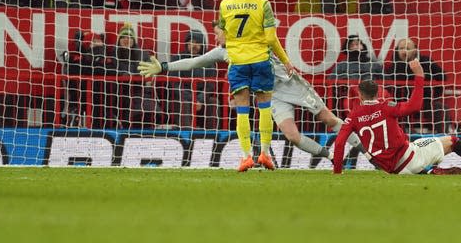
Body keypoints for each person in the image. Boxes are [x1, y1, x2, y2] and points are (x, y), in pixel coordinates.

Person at [138, 20, 365, 161]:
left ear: (229, 31)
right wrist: (163, 67)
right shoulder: (221, 52)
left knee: (327, 118)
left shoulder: (254, 40)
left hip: (290, 84)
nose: (216, 37)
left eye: (218, 33)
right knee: (292, 137)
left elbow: (271, 28)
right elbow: (194, 62)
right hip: (271, 95)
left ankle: (367, 150)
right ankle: (330, 158)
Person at [333, 58, 461, 175]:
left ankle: (432, 172)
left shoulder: (353, 116)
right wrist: (419, 77)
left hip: (391, 170)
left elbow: (340, 142)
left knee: (418, 144)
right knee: (453, 141)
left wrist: (337, 172)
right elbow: (415, 106)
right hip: (409, 158)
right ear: (377, 92)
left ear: (359, 94)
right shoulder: (386, 107)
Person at [219, 0, 293, 171]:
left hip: (238, 62)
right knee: (265, 109)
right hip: (260, 61)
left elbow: (223, 36)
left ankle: (245, 157)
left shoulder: (225, 5)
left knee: (242, 110)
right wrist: (286, 60)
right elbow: (271, 38)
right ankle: (265, 154)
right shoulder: (263, 4)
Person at [383, 38, 451, 133]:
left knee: (441, 108)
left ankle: (442, 137)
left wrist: (434, 94)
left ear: (415, 50)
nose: (404, 51)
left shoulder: (426, 61)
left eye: (407, 48)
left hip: (425, 103)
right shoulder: (391, 67)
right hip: (401, 104)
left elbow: (442, 77)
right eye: (401, 48)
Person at [108, 23, 161, 129]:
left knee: (147, 108)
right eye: (123, 37)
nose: (127, 40)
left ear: (134, 40)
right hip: (121, 93)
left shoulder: (143, 54)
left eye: (129, 38)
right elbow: (110, 71)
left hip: (140, 91)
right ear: (119, 40)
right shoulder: (112, 54)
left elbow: (150, 72)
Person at [167, 29, 219, 129]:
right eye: (191, 42)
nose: (194, 45)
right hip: (183, 97)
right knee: (184, 103)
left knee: (214, 102)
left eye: (197, 43)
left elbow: (210, 86)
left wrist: (199, 99)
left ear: (202, 44)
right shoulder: (177, 59)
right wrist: (192, 99)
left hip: (201, 98)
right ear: (187, 44)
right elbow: (174, 84)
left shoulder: (209, 61)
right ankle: (186, 134)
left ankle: (212, 133)